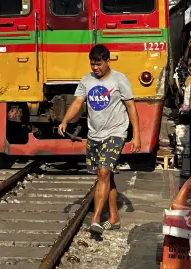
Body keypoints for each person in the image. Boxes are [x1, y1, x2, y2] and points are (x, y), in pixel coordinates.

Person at [58, 44, 140, 236]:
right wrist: (64, 120)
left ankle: (95, 219)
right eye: (92, 64)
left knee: (103, 172)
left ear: (107, 61)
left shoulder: (120, 80)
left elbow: (131, 108)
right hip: (94, 135)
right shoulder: (86, 80)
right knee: (105, 175)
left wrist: (136, 135)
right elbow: (78, 102)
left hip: (116, 132)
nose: (95, 68)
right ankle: (114, 218)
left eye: (98, 64)